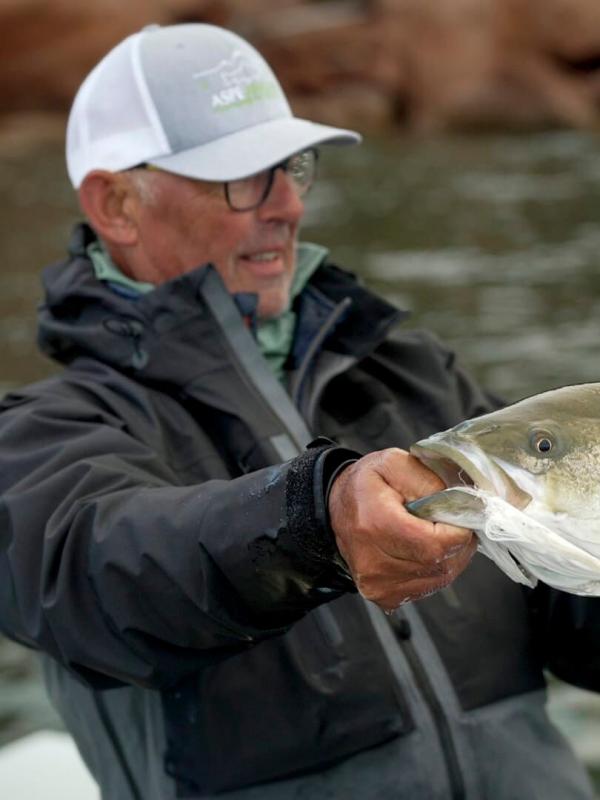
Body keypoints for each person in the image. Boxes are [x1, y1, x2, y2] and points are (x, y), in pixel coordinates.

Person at [0, 21, 597, 800]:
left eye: (293, 167)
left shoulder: (406, 372)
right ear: (115, 203)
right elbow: (105, 573)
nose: (286, 204)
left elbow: (569, 615)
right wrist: (319, 525)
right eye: (241, 176)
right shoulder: (39, 437)